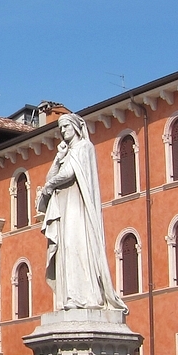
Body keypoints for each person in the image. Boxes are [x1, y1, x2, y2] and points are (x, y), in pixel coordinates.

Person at [36, 113, 127, 312]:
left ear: (76, 127)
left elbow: (68, 174)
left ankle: (83, 296)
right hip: (64, 207)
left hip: (77, 208)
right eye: (61, 128)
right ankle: (70, 296)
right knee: (65, 250)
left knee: (75, 246)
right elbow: (51, 176)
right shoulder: (67, 152)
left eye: (66, 126)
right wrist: (57, 158)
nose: (63, 131)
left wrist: (49, 186)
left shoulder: (85, 147)